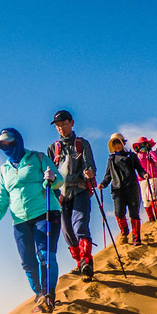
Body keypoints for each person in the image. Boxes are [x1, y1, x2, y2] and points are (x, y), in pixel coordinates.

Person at [0, 127, 63, 312]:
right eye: (3, 144)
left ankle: (48, 296)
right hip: (20, 220)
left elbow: (58, 180)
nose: (7, 146)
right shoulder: (4, 170)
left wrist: (50, 179)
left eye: (10, 142)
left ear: (18, 141)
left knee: (45, 255)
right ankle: (40, 294)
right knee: (28, 262)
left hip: (46, 212)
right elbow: (1, 200)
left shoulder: (37, 158)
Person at [49, 110, 97, 278]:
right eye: (58, 125)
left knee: (80, 225)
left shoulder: (82, 144)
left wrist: (89, 172)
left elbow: (90, 164)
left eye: (64, 124)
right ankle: (79, 263)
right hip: (60, 196)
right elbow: (48, 174)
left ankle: (86, 261)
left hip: (80, 189)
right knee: (67, 232)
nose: (61, 128)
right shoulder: (52, 149)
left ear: (72, 123)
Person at [98, 133, 146, 245]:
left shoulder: (132, 156)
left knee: (134, 213)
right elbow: (108, 176)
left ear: (123, 143)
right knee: (119, 213)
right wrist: (103, 184)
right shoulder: (111, 159)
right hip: (117, 189)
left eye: (118, 143)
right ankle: (124, 231)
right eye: (114, 144)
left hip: (132, 188)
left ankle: (136, 236)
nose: (117, 146)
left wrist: (144, 174)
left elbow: (140, 169)